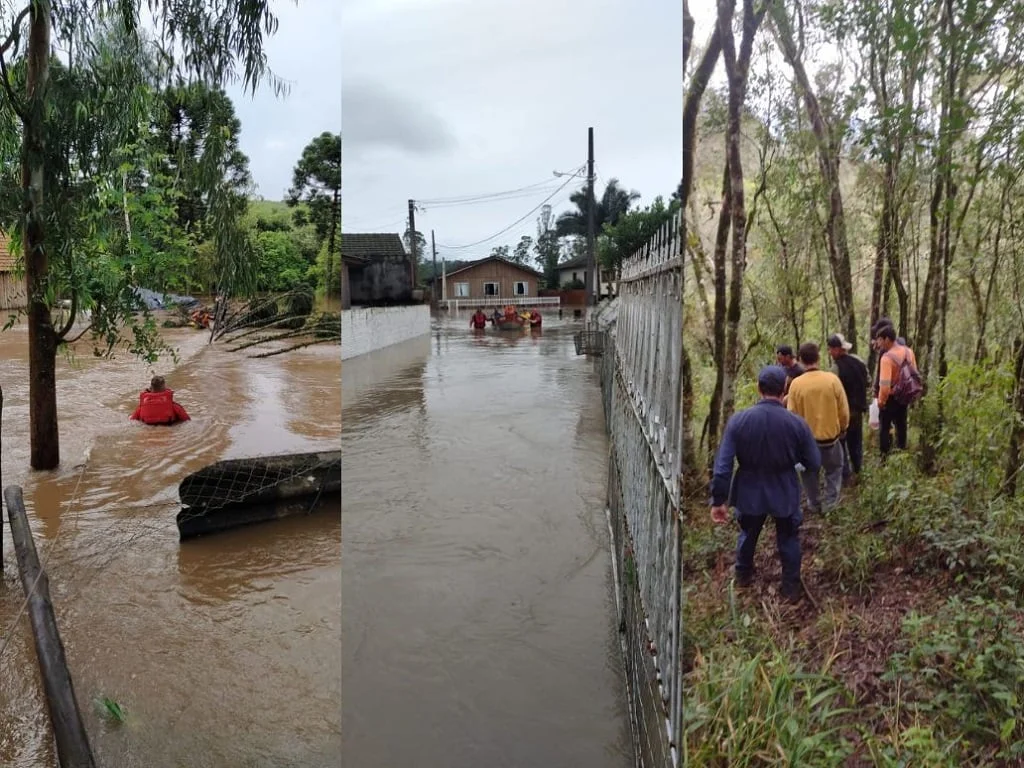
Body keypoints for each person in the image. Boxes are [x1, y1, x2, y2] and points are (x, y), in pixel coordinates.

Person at [710, 365, 821, 603]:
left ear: (759, 389)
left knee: (748, 533)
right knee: (788, 538)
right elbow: (813, 461)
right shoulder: (797, 424)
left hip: (750, 491)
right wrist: (794, 461)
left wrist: (719, 500)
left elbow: (723, 466)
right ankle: (790, 587)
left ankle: (743, 575)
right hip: (784, 489)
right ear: (784, 389)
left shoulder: (739, 421)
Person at [786, 342, 849, 513]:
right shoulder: (832, 380)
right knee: (834, 470)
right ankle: (830, 505)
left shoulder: (796, 385)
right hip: (830, 439)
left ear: (800, 360)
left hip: (807, 442)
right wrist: (843, 428)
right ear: (818, 358)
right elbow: (843, 410)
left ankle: (814, 503)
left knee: (808, 474)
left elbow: (792, 416)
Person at [827, 333, 869, 482]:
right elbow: (867, 381)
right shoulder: (859, 361)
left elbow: (832, 392)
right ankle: (858, 471)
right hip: (859, 409)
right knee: (856, 441)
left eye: (831, 349)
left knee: (841, 443)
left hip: (844, 412)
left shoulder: (835, 368)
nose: (830, 352)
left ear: (838, 349)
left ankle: (846, 476)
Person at [876, 325, 918, 456]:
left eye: (880, 340)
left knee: (885, 428)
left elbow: (884, 385)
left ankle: (884, 458)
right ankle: (901, 454)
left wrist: (881, 401)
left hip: (891, 398)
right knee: (901, 425)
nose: (878, 343)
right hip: (905, 396)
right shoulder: (908, 352)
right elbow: (914, 373)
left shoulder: (886, 358)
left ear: (887, 339)